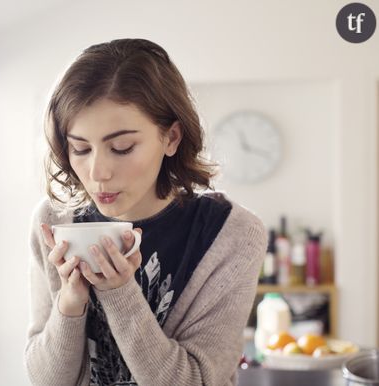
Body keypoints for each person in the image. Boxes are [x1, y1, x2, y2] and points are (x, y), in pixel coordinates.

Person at [25, 38, 267, 386]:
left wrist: (120, 292)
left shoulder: (231, 234)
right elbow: (44, 381)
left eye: (121, 148)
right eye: (80, 148)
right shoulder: (53, 222)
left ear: (171, 138)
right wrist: (69, 303)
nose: (97, 173)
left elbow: (197, 381)